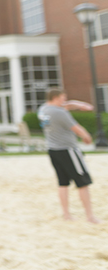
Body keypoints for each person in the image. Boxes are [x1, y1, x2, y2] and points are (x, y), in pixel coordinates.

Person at [38, 89, 101, 224]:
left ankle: (66, 214)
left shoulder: (43, 109)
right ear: (55, 98)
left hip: (53, 150)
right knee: (83, 182)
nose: (64, 101)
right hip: (68, 150)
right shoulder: (60, 113)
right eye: (62, 98)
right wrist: (87, 137)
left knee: (63, 182)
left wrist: (79, 105)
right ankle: (90, 216)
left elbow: (66, 105)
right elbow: (77, 128)